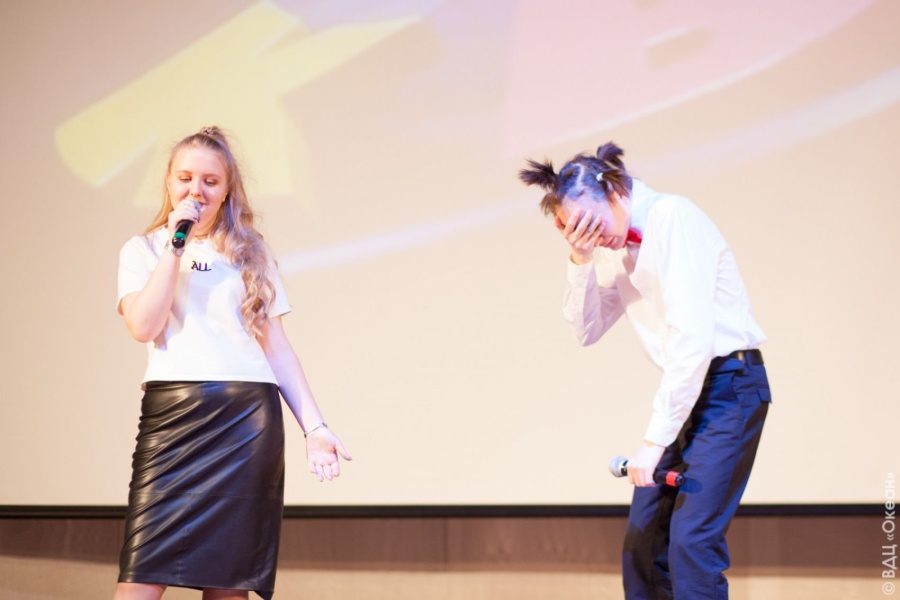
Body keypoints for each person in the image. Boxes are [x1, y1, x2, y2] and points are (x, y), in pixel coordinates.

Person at [519, 143, 771, 599]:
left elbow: (692, 342)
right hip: (686, 390)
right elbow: (586, 330)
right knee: (643, 544)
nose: (593, 236)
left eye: (593, 225)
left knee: (692, 543)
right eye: (576, 229)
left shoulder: (672, 217)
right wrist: (580, 258)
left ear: (616, 191)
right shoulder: (607, 247)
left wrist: (654, 443)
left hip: (729, 388)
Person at [114, 126, 351, 600]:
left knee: (228, 585)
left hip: (244, 425)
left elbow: (277, 347)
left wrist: (315, 427)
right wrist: (175, 247)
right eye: (185, 178)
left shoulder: (250, 254)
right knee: (140, 579)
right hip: (172, 420)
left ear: (226, 191)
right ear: (168, 182)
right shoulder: (143, 250)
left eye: (210, 181)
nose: (196, 191)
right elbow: (143, 326)